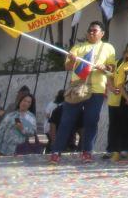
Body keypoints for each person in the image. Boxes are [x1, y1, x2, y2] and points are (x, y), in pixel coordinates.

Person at [50, 20, 116, 164]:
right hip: (77, 87)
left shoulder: (108, 48)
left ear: (102, 33)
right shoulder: (78, 47)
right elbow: (68, 66)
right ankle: (56, 151)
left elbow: (112, 68)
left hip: (97, 89)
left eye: (95, 30)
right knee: (67, 120)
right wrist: (73, 61)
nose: (91, 32)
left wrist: (104, 66)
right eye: (90, 30)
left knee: (91, 121)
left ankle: (87, 152)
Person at [0, 93, 34, 157]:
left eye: (28, 102)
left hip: (18, 150)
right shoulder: (12, 113)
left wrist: (22, 129)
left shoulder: (30, 117)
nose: (25, 103)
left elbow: (30, 133)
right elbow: (1, 131)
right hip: (5, 149)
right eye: (24, 100)